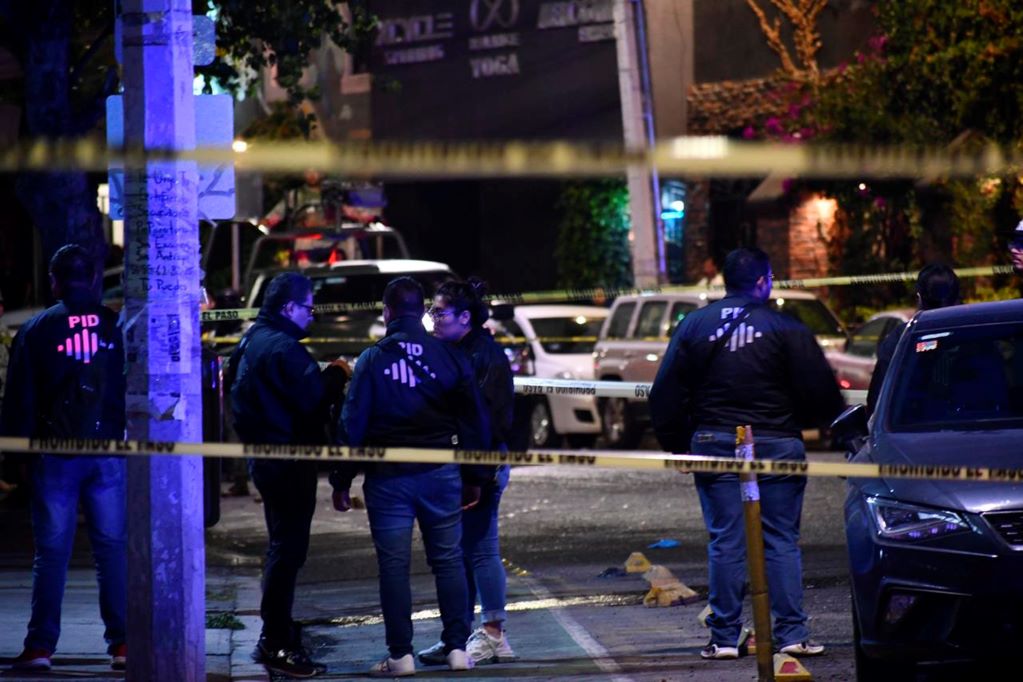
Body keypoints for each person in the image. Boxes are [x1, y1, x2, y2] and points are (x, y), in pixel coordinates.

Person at [649, 247, 843, 661]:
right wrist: (802, 423)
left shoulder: (694, 325)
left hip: (713, 442)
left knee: (725, 541)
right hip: (776, 442)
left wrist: (679, 442)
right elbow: (822, 391)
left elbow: (665, 391)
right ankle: (791, 634)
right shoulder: (784, 327)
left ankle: (723, 638)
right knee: (780, 539)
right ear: (763, 281)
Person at [329, 276, 491, 676]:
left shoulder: (371, 359)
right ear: (421, 312)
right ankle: (457, 649)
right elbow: (474, 418)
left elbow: (352, 423)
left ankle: (401, 656)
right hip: (441, 472)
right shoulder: (450, 355)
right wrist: (475, 475)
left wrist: (341, 479)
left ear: (386, 313)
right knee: (450, 560)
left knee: (394, 567)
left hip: (388, 480)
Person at [1, 245, 127, 672]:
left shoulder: (37, 330)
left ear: (54, 281)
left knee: (51, 552)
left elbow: (19, 399)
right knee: (111, 549)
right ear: (93, 278)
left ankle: (40, 647)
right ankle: (124, 643)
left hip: (55, 455)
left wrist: (14, 455)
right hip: (107, 452)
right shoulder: (115, 327)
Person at [230, 272, 347, 678]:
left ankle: (275, 630)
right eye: (309, 308)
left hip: (264, 458)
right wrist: (337, 374)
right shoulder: (284, 349)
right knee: (288, 550)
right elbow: (314, 399)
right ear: (288, 308)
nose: (312, 315)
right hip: (288, 461)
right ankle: (277, 640)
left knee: (280, 545)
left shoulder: (250, 340)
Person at [417, 279, 517, 666]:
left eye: (440, 312)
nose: (433, 319)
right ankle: (458, 636)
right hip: (465, 465)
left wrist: (477, 473)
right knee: (461, 552)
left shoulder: (484, 357)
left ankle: (492, 633)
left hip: (481, 465)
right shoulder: (455, 350)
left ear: (465, 317)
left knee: (480, 549)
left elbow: (488, 421)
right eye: (432, 311)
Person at [866, 264, 961, 417]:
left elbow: (877, 403)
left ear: (919, 298)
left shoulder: (901, 339)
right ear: (957, 299)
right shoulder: (980, 340)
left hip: (910, 434)